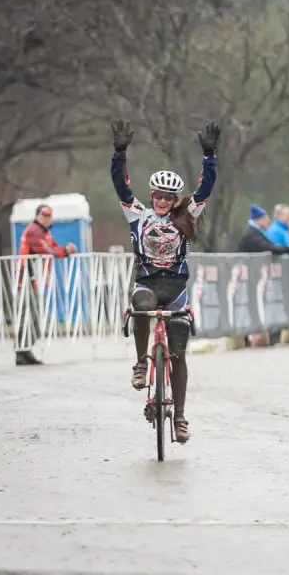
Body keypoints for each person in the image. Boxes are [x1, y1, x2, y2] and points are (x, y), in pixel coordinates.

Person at [109, 118, 220, 444]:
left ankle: (181, 417)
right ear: (152, 195)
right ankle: (142, 363)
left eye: (167, 197)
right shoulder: (137, 214)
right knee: (141, 306)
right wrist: (119, 152)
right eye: (157, 195)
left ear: (174, 199)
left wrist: (209, 157)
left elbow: (205, 189)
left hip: (175, 289)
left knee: (178, 354)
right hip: (147, 282)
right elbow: (120, 185)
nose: (161, 200)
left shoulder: (187, 214)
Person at [16, 204, 77, 366]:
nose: (47, 218)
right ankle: (21, 351)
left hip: (35, 281)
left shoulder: (43, 232)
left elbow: (54, 247)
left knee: (34, 318)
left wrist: (65, 249)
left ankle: (24, 351)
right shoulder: (34, 231)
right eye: (44, 214)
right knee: (31, 318)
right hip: (26, 280)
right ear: (37, 215)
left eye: (49, 215)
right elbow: (49, 251)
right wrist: (66, 251)